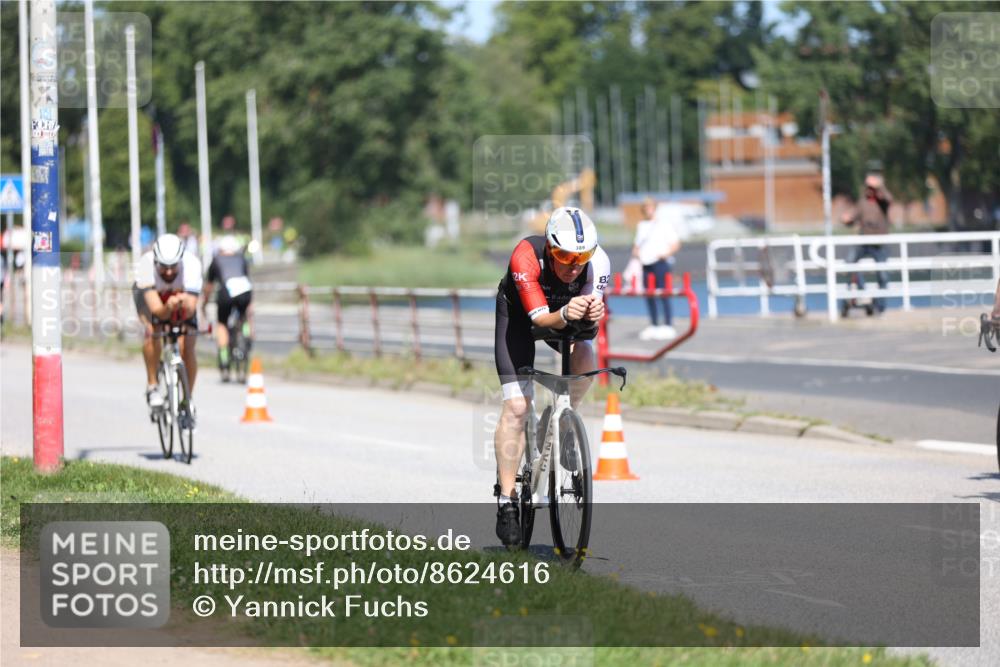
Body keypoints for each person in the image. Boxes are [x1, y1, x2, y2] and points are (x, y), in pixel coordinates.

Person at [493, 206, 611, 547]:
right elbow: (540, 321)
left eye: (581, 257)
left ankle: (561, 422)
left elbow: (588, 328)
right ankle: (506, 499)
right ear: (549, 247)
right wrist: (565, 312)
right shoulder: (525, 257)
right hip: (519, 320)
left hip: (561, 315)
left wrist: (592, 314)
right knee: (517, 406)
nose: (573, 267)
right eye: (563, 256)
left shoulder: (599, 263)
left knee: (587, 353)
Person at [133, 233, 203, 419]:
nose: (169, 272)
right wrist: (168, 306)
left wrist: (181, 303)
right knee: (152, 333)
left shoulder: (192, 264)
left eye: (174, 267)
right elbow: (156, 310)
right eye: (164, 267)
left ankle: (187, 399)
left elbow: (190, 309)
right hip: (153, 299)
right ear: (156, 260)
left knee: (187, 346)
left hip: (180, 301)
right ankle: (152, 386)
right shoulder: (145, 266)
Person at [201, 234, 253, 377]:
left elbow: (209, 286)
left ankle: (224, 357)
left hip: (225, 293)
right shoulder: (241, 258)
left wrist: (204, 304)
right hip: (245, 291)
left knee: (222, 323)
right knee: (243, 314)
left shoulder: (216, 260)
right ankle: (246, 332)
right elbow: (247, 279)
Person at [842, 174, 893, 313]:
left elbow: (888, 199)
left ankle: (880, 306)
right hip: (864, 241)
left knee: (882, 275)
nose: (870, 190)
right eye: (868, 187)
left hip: (879, 244)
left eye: (872, 188)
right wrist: (847, 219)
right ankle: (862, 293)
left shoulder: (882, 201)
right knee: (850, 263)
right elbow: (852, 217)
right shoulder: (862, 202)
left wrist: (879, 185)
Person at [632, 198, 681, 340]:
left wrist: (664, 254)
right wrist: (636, 253)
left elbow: (675, 243)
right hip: (645, 263)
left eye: (650, 206)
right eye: (645, 206)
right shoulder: (641, 225)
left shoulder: (664, 224)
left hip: (660, 262)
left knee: (664, 292)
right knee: (649, 294)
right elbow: (637, 244)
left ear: (655, 207)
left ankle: (668, 324)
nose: (648, 209)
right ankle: (653, 324)